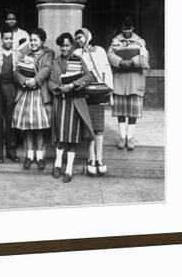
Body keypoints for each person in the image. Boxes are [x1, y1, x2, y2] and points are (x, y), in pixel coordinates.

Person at [48, 32, 96, 183]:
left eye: (67, 45)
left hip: (74, 102)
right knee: (60, 136)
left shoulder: (78, 59)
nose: (64, 48)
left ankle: (68, 169)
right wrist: (58, 88)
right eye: (62, 45)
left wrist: (73, 85)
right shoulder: (55, 61)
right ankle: (57, 165)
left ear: (72, 46)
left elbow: (89, 76)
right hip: (60, 102)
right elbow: (50, 80)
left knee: (72, 137)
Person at [73, 28, 114, 176]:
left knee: (99, 127)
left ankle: (100, 159)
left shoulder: (100, 51)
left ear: (87, 37)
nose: (79, 40)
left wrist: (110, 91)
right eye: (76, 38)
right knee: (88, 127)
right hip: (85, 92)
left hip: (99, 92)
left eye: (81, 37)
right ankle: (91, 158)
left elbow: (106, 69)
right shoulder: (76, 53)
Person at [12, 28, 54, 171]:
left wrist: (35, 80)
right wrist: (24, 81)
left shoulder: (48, 54)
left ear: (42, 41)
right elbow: (16, 71)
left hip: (40, 93)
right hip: (26, 93)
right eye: (31, 40)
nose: (33, 43)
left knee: (40, 127)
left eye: (35, 40)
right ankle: (29, 155)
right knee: (28, 126)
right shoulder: (25, 54)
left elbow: (47, 69)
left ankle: (40, 156)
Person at [107, 17, 150, 150]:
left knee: (132, 111)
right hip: (120, 79)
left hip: (134, 79)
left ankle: (130, 138)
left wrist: (132, 61)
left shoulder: (140, 41)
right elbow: (109, 55)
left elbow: (145, 55)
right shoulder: (115, 41)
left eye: (129, 28)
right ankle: (122, 137)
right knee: (121, 111)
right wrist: (120, 61)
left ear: (133, 29)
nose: (126, 31)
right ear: (122, 29)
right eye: (124, 28)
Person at [0, 25, 20, 163]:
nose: (8, 41)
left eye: (10, 38)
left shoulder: (17, 54)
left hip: (11, 88)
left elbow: (20, 73)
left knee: (10, 121)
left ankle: (11, 152)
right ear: (1, 39)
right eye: (6, 38)